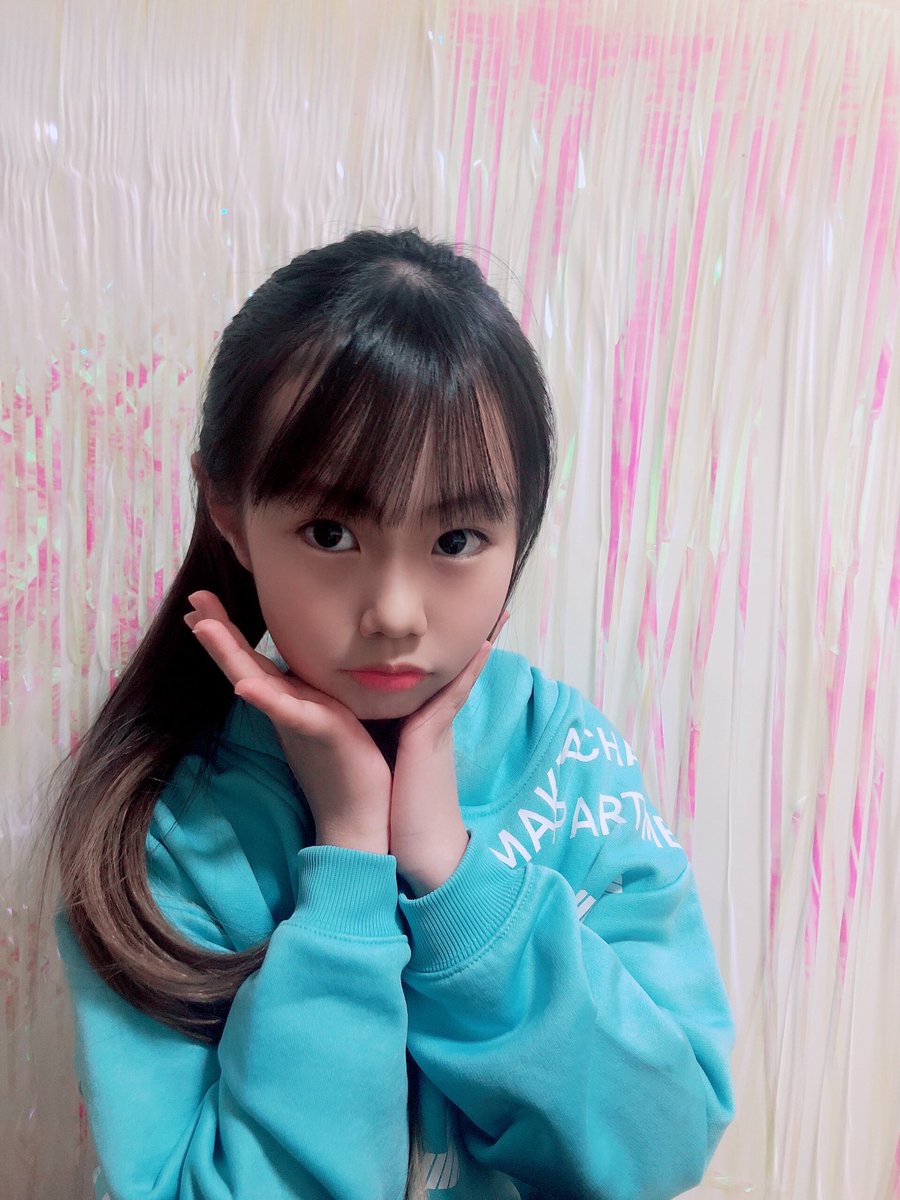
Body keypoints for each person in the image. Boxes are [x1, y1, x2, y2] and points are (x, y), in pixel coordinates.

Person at [47, 228, 734, 1200]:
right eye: (331, 532)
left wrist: (452, 876)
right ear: (230, 514)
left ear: (521, 532)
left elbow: (661, 1141)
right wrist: (348, 869)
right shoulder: (168, 824)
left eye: (456, 538)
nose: (397, 613)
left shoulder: (568, 759)